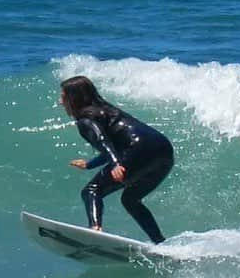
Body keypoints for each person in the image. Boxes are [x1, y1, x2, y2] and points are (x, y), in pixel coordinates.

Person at [60, 75, 174, 244]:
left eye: (63, 96)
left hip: (139, 149)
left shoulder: (85, 120)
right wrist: (90, 164)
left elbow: (103, 142)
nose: (60, 102)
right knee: (130, 199)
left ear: (73, 98)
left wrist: (115, 164)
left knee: (91, 191)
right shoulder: (107, 110)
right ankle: (160, 242)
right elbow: (117, 147)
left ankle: (95, 230)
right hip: (163, 150)